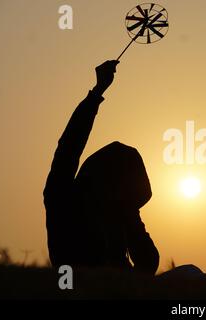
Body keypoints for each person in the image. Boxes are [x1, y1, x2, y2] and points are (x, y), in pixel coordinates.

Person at [43, 61, 159, 274]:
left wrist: (130, 216)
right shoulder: (63, 197)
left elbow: (148, 263)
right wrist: (96, 92)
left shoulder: (119, 212)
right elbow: (69, 145)